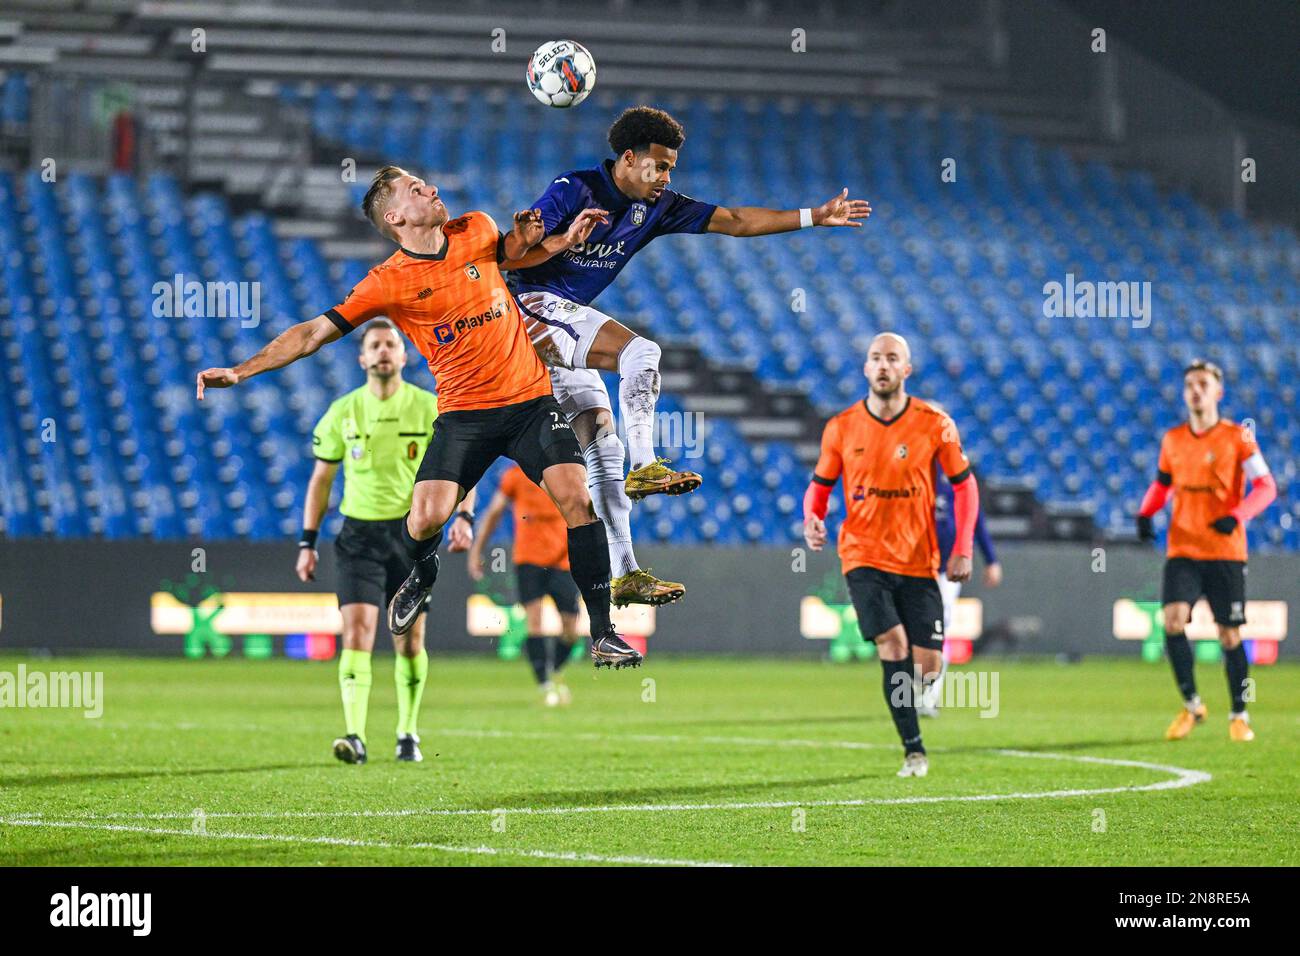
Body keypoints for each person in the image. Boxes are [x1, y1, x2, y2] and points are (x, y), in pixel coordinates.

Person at [198, 165, 643, 669]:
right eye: (415, 189)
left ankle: (604, 633)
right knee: (427, 517)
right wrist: (241, 370)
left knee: (576, 498)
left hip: (530, 403)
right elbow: (311, 334)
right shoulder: (388, 282)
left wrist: (560, 240)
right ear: (395, 216)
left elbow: (519, 253)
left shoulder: (474, 228)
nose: (431, 189)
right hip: (464, 415)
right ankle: (423, 571)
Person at [501, 105, 871, 605]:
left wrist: (813, 216)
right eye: (660, 165)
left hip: (560, 332)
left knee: (602, 451)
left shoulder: (659, 205)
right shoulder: (575, 188)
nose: (666, 176)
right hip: (528, 309)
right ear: (628, 159)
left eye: (671, 167)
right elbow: (513, 253)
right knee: (641, 352)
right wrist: (545, 235)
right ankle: (648, 462)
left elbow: (736, 221)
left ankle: (625, 573)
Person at [803, 333, 978, 777]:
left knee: (928, 665)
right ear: (866, 369)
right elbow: (819, 487)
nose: (883, 365)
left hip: (920, 561)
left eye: (892, 358)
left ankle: (912, 705)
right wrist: (813, 518)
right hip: (863, 555)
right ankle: (913, 750)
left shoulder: (934, 422)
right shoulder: (841, 426)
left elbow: (965, 486)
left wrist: (962, 548)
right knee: (892, 644)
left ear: (907, 370)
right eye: (876, 358)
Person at [296, 319, 467, 764]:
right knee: (356, 633)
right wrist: (306, 542)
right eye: (375, 345)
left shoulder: (430, 408)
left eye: (392, 343)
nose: (384, 351)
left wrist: (463, 515)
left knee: (409, 640)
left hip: (411, 536)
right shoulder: (342, 411)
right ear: (363, 357)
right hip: (358, 536)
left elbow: (459, 469)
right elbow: (321, 480)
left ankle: (407, 732)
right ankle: (354, 735)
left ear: (404, 356)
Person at [1136, 359, 1276, 742]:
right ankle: (1193, 705)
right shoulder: (1173, 440)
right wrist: (1146, 512)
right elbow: (1162, 484)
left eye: (1203, 384)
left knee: (1229, 636)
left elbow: (1266, 486)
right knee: (1172, 622)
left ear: (1218, 392)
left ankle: (1239, 714)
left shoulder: (1237, 437)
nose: (1195, 391)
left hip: (1225, 551)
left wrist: (1238, 514)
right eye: (1189, 385)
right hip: (1183, 546)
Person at [468, 464, 581, 706]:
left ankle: (554, 669)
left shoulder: (563, 471)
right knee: (535, 623)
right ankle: (545, 683)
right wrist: (477, 549)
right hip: (528, 560)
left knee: (571, 627)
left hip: (562, 560)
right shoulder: (515, 476)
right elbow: (495, 511)